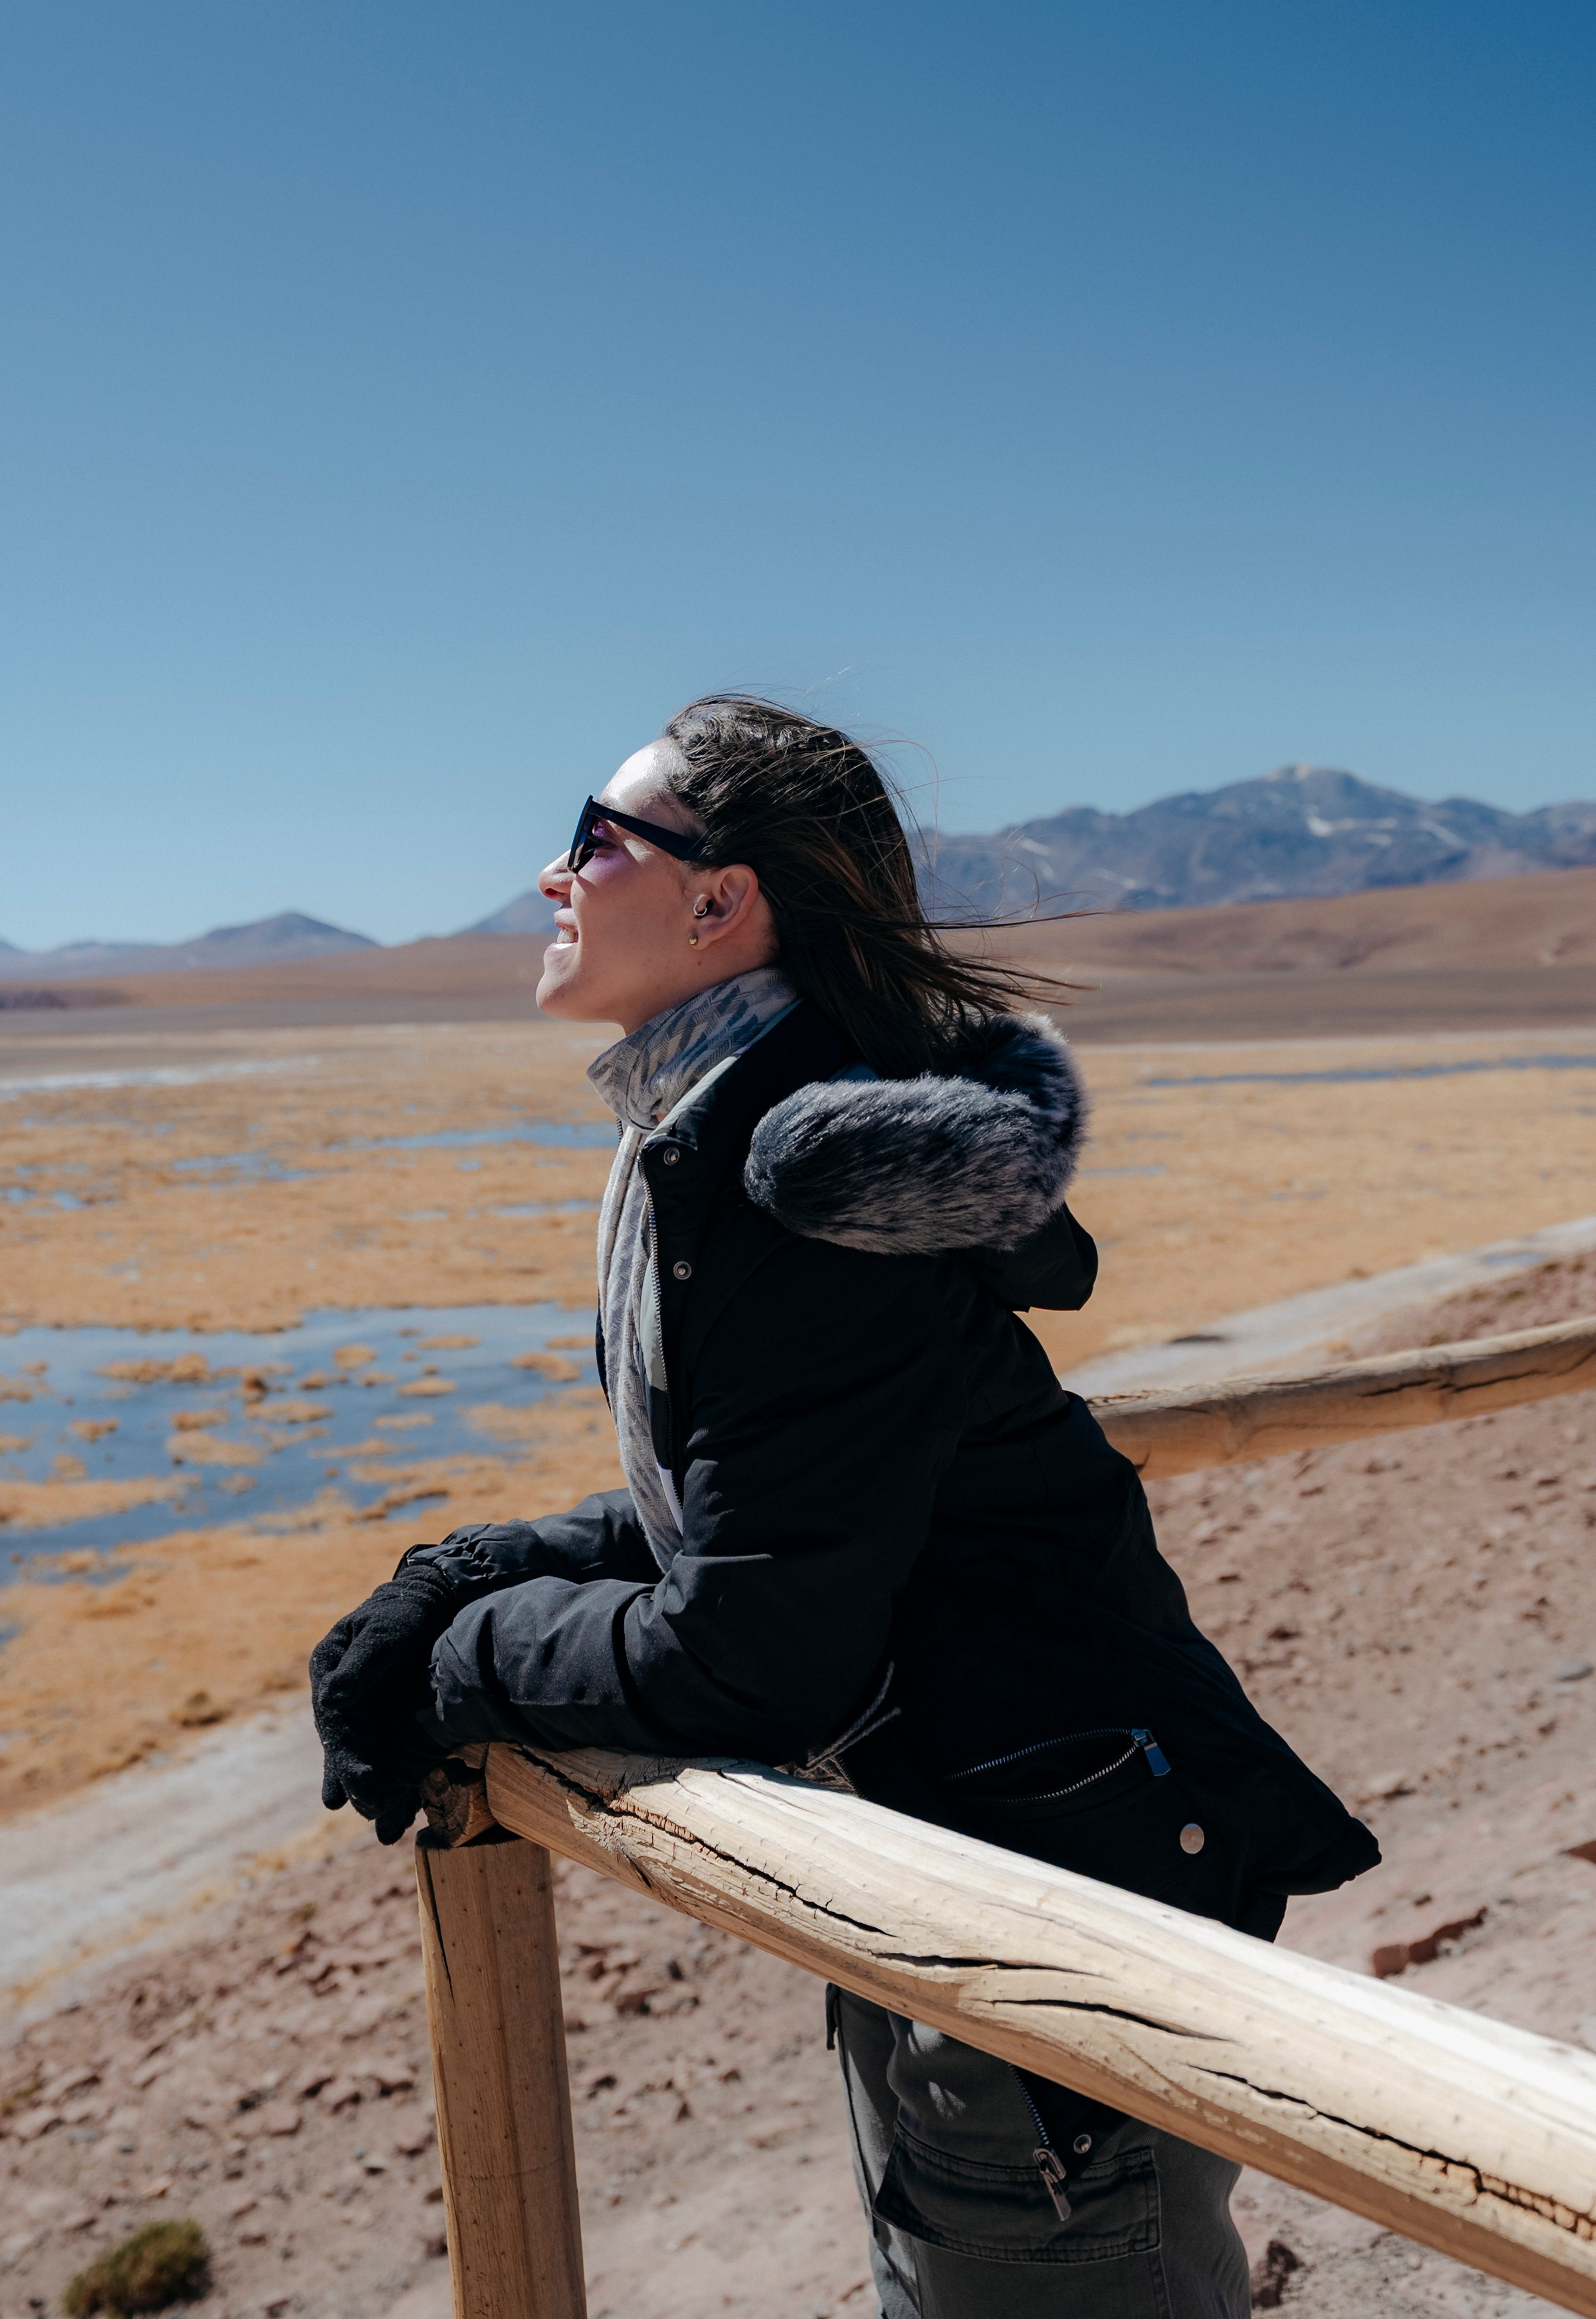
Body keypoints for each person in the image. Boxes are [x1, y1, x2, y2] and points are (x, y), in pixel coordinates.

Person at [312, 697, 1378, 2318]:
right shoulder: (727, 1113)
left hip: (1057, 1899)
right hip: (980, 1848)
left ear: (719, 899)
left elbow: (755, 1651)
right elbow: (776, 1497)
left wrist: (460, 1668)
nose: (549, 872)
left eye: (594, 839)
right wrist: (456, 1578)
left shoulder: (798, 1165)